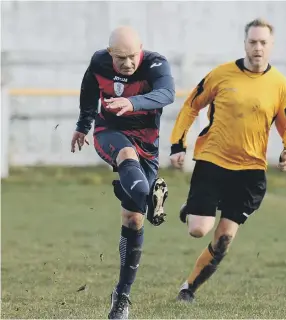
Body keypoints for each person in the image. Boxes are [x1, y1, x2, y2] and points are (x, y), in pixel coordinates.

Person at [169, 18, 286, 303]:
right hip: (213, 161)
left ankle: (188, 289)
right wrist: (178, 144)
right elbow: (192, 105)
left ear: (271, 46)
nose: (257, 48)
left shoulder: (279, 85)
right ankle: (194, 208)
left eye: (263, 42)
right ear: (245, 44)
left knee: (224, 239)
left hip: (250, 172)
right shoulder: (222, 74)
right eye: (252, 42)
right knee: (198, 230)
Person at [70, 26, 174, 319]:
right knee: (126, 154)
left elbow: (167, 93)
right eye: (121, 59)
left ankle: (122, 296)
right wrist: (82, 125)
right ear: (109, 53)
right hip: (110, 132)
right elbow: (89, 90)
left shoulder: (156, 64)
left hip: (148, 146)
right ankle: (149, 198)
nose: (128, 64)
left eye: (133, 57)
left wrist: (132, 102)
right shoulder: (99, 61)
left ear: (141, 49)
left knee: (133, 219)